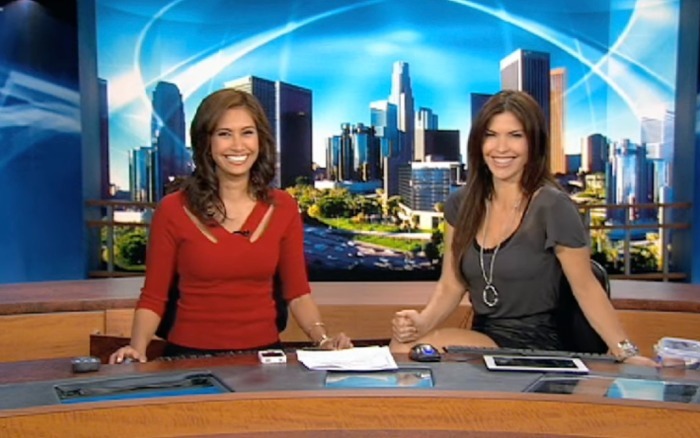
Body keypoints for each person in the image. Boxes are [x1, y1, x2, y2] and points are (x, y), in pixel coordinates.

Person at [391, 90, 656, 366]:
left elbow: (587, 287)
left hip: (536, 342)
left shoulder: (552, 206)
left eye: (515, 136)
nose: (501, 147)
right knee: (403, 345)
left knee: (421, 350)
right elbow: (451, 284)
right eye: (491, 135)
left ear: (534, 144)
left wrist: (626, 352)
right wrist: (421, 322)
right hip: (484, 336)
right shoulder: (460, 204)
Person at [110, 89, 351, 364]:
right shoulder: (173, 209)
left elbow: (297, 294)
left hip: (265, 360)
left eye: (247, 132)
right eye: (224, 134)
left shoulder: (283, 207)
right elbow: (154, 297)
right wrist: (137, 348)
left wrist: (322, 340)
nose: (238, 146)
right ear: (206, 143)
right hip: (189, 359)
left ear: (260, 140)